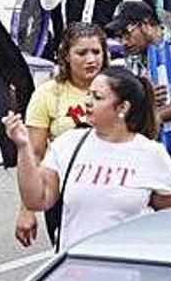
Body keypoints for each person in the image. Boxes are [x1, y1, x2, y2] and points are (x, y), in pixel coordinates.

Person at [5, 66, 171, 251]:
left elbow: (170, 215)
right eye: (89, 94)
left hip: (128, 271)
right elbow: (37, 199)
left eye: (97, 97)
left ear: (122, 107)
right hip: (76, 267)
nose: (88, 102)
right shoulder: (69, 143)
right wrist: (23, 146)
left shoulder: (152, 154)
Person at [15, 23, 109, 248]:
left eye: (96, 52)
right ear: (66, 56)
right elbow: (35, 154)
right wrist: (27, 209)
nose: (91, 59)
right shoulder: (48, 94)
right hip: (64, 194)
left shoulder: (118, 88)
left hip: (110, 189)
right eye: (81, 53)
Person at [107, 1, 171, 172]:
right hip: (159, 157)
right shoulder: (132, 58)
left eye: (126, 34)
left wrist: (156, 116)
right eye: (119, 36)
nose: (123, 41)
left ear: (145, 24)